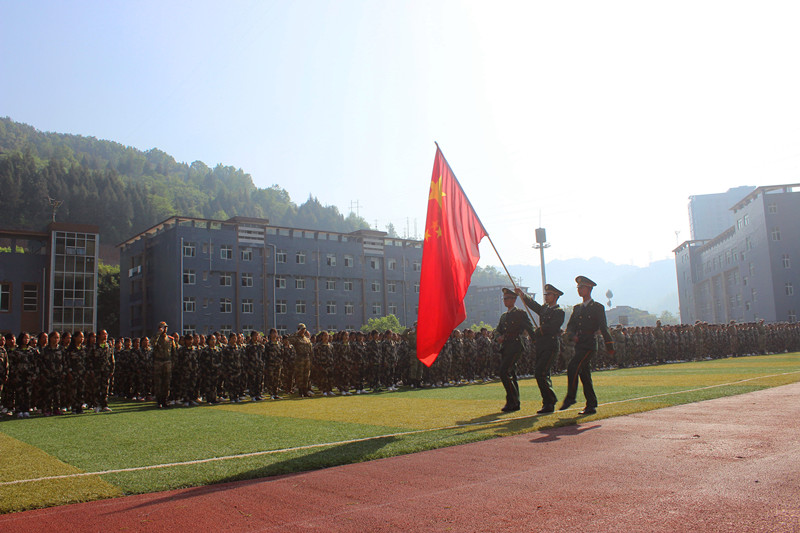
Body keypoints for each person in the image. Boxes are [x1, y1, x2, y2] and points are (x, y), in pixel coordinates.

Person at [560, 276, 614, 415]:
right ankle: (591, 404)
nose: (579, 290)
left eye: (582, 287)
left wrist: (610, 346)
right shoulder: (577, 308)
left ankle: (571, 397)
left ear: (589, 289)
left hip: (590, 344)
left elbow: (603, 327)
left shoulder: (597, 308)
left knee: (573, 366)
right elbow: (570, 326)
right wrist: (572, 335)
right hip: (579, 344)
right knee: (584, 375)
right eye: (578, 288)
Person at [516, 284, 565, 413]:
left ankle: (550, 400)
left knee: (541, 373)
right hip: (542, 345)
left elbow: (553, 327)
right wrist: (522, 295)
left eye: (548, 294)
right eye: (545, 294)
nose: (546, 297)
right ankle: (548, 403)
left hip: (551, 345)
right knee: (543, 374)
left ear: (555, 296)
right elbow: (534, 305)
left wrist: (539, 331)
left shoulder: (559, 312)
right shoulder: (545, 309)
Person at [494, 288, 535, 412]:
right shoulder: (504, 316)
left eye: (507, 298)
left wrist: (536, 339)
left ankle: (513, 401)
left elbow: (529, 327)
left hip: (516, 345)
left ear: (514, 299)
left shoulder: (520, 313)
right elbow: (497, 330)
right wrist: (498, 337)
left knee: (504, 372)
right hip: (506, 346)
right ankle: (513, 402)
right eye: (504, 299)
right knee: (511, 374)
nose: (505, 301)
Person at [151, 321, 176, 408]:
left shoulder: (170, 339)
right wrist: (158, 334)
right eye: (162, 327)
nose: (165, 329)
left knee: (166, 383)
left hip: (167, 362)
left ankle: (165, 400)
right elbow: (152, 344)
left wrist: (173, 362)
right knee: (158, 382)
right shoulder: (156, 338)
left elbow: (173, 352)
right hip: (158, 362)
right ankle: (159, 401)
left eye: (165, 327)